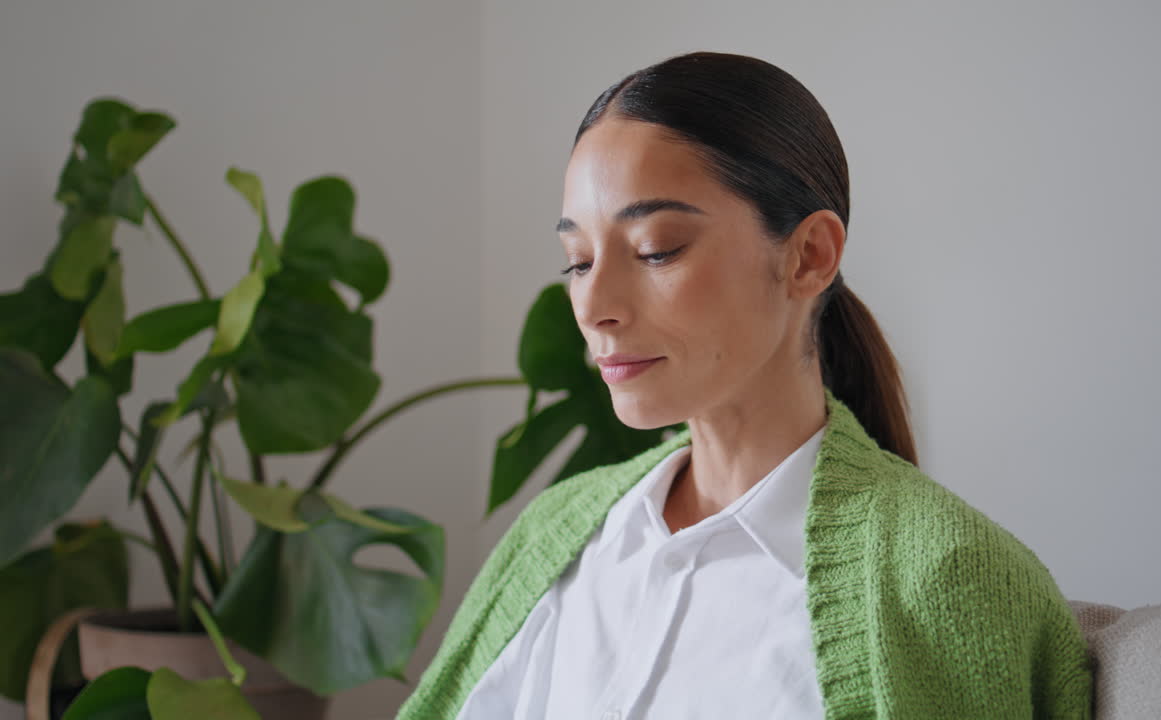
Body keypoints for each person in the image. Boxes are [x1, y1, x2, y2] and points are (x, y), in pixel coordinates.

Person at [396, 50, 1093, 719]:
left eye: (656, 250)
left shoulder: (948, 577)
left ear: (809, 256)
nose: (594, 304)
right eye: (577, 261)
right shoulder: (556, 532)